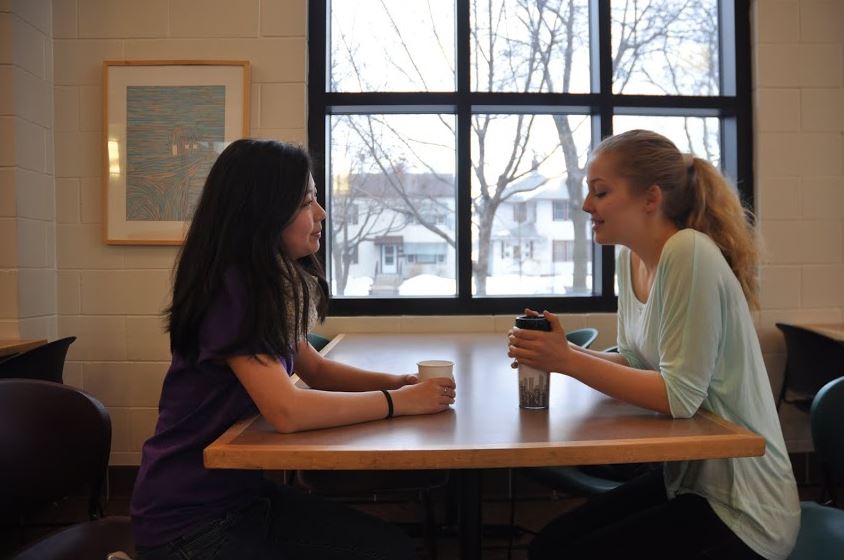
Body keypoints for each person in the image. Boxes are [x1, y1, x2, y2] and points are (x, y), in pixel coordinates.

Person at [130, 139, 457, 560]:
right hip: (191, 522)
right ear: (262, 212)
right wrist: (398, 402)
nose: (320, 215)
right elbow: (287, 411)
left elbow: (316, 370)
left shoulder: (268, 285)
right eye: (306, 203)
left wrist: (398, 383)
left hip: (240, 498)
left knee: (390, 547)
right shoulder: (234, 290)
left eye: (316, 200)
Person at [508, 130, 799, 560]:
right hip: (688, 481)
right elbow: (633, 357)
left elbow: (678, 396)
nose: (587, 205)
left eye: (601, 192)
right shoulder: (632, 260)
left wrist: (568, 360)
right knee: (551, 546)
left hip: (745, 505)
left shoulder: (688, 251)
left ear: (651, 198)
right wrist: (556, 355)